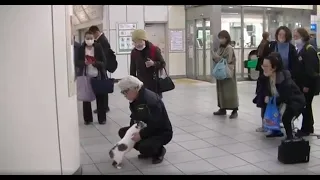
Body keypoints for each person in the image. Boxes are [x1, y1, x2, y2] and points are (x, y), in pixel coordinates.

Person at [117, 75, 173, 164]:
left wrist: (141, 135)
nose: (124, 95)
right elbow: (134, 117)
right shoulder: (136, 99)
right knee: (123, 133)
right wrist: (132, 130)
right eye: (123, 92)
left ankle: (159, 151)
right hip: (146, 128)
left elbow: (156, 124)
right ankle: (148, 148)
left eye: (125, 92)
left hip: (161, 132)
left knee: (144, 147)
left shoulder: (151, 100)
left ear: (134, 88)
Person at [260, 53, 305, 139]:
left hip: (295, 101)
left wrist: (271, 100)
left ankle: (290, 137)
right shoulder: (266, 77)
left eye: (266, 66)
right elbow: (265, 91)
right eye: (263, 66)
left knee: (286, 118)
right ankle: (276, 131)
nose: (264, 68)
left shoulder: (284, 79)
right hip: (281, 100)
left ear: (274, 67)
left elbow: (285, 97)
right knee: (272, 113)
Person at [75, 31, 107, 125]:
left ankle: (102, 119)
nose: (89, 40)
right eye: (87, 38)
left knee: (100, 97)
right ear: (84, 39)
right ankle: (88, 119)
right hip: (86, 75)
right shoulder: (81, 48)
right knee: (86, 98)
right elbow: (77, 62)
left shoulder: (98, 47)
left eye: (91, 38)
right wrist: (84, 63)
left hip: (97, 75)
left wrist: (95, 63)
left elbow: (104, 62)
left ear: (94, 39)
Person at [293, 28, 320, 137]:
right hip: (301, 84)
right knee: (306, 106)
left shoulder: (309, 50)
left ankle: (306, 129)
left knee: (305, 106)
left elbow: (311, 70)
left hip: (307, 85)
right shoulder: (300, 49)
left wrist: (307, 85)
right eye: (294, 36)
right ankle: (309, 126)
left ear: (303, 36)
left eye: (297, 36)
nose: (295, 38)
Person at [130, 29, 166, 96]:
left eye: (139, 42)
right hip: (140, 84)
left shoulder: (154, 50)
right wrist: (132, 84)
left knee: (154, 104)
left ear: (144, 40)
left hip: (154, 84)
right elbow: (132, 69)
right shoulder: (134, 52)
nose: (137, 44)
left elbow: (163, 63)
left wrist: (153, 63)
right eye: (135, 42)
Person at [212, 30, 239, 119]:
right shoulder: (221, 47)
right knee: (221, 91)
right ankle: (222, 108)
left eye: (222, 38)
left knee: (230, 91)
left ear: (226, 38)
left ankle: (235, 109)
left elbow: (227, 60)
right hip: (221, 73)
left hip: (227, 73)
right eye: (220, 38)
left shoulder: (229, 48)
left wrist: (216, 56)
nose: (220, 40)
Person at [88, 25, 111, 114]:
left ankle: (104, 107)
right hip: (101, 66)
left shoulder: (103, 40)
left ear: (96, 32)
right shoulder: (100, 40)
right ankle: (103, 106)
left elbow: (104, 55)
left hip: (102, 67)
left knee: (103, 87)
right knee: (102, 87)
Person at [254, 32, 272, 132]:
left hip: (262, 68)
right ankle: (267, 123)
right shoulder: (267, 44)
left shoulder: (261, 43)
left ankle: (265, 123)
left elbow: (258, 53)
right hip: (266, 68)